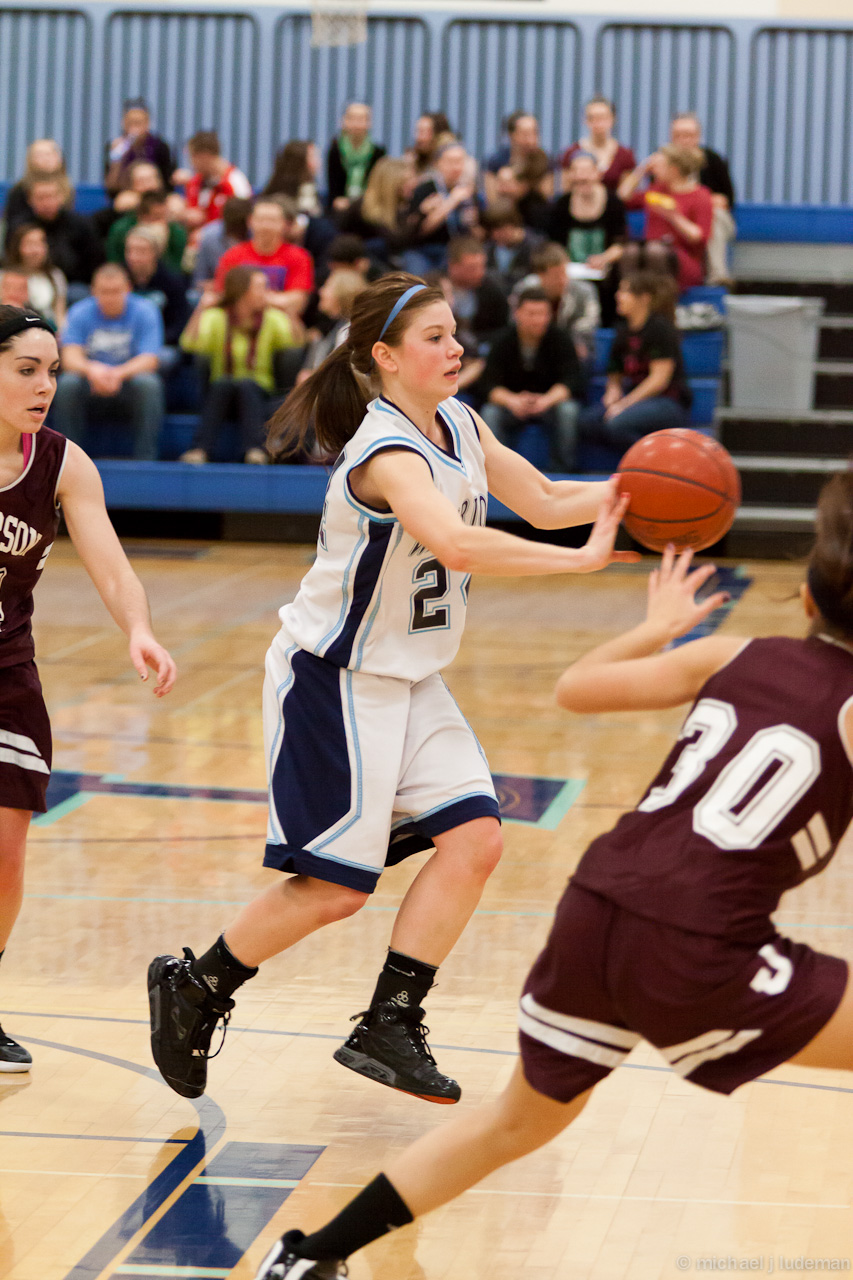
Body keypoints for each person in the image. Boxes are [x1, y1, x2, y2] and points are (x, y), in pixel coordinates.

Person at [253, 495, 853, 1278]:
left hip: (594, 906)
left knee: (517, 1122)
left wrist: (657, 627)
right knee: (519, 1121)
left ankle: (308, 1258)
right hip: (697, 939)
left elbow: (577, 687)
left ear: (805, 600)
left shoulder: (730, 653)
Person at [146, 271, 637, 1109]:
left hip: (410, 679)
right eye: (434, 338)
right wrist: (583, 561)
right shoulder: (385, 453)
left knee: (476, 840)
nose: (455, 348)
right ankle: (197, 985)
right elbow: (457, 544)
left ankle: (389, 1021)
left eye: (455, 333)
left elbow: (548, 497)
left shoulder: (460, 423)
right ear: (386, 357)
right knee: (336, 890)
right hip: (333, 681)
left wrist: (640, 490)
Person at [0, 303, 176, 1070]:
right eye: (26, 370)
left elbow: (110, 564)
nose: (44, 386)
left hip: (7, 671)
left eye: (51, 372)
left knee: (6, 851)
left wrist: (138, 628)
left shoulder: (64, 464)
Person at [178, 266, 302, 464]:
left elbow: (296, 343)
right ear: (242, 290)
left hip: (258, 393)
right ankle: (199, 450)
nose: (267, 293)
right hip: (222, 393)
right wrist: (200, 309)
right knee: (224, 383)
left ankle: (255, 450)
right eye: (260, 287)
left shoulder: (270, 317)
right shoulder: (218, 316)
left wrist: (289, 312)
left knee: (246, 384)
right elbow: (189, 344)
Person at [51, 264, 165, 460]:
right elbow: (69, 357)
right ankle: (69, 460)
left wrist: (116, 373)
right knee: (68, 383)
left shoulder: (146, 310)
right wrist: (92, 370)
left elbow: (150, 359)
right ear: (93, 291)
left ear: (128, 289)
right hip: (90, 383)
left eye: (116, 291)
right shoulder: (79, 311)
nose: (110, 297)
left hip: (127, 383)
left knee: (148, 383)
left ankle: (146, 459)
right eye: (104, 292)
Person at [579, 270, 690, 455]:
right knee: (586, 422)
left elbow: (659, 380)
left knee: (617, 424)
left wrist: (624, 404)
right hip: (636, 400)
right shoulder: (622, 331)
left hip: (667, 402)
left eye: (625, 291)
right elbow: (614, 373)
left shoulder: (659, 328)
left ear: (644, 298)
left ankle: (652, 462)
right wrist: (612, 392)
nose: (618, 296)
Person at [479, 287, 583, 470]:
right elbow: (488, 384)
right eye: (532, 314)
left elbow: (572, 380)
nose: (538, 320)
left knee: (568, 411)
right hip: (512, 404)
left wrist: (546, 400)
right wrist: (512, 400)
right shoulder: (502, 340)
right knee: (490, 413)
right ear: (517, 313)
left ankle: (563, 470)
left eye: (543, 314)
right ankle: (497, 471)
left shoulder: (561, 338)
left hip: (549, 404)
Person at [618, 146, 713, 292]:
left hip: (682, 259)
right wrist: (641, 170)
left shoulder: (700, 195)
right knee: (631, 252)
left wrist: (673, 216)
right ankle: (630, 295)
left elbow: (698, 237)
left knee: (655, 252)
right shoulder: (657, 189)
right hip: (650, 251)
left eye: (658, 166)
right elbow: (623, 195)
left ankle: (659, 298)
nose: (653, 170)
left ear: (673, 170)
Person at [548, 151, 627, 326]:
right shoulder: (561, 205)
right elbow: (554, 245)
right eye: (577, 171)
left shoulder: (613, 202)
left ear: (598, 173)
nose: (582, 177)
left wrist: (603, 258)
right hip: (570, 271)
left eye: (587, 171)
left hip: (605, 271)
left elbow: (621, 245)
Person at [214, 197, 314, 318]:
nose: (266, 226)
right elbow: (222, 296)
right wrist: (275, 300)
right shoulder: (233, 255)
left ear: (284, 224)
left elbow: (298, 302)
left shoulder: (299, 256)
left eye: (272, 220)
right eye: (261, 220)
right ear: (250, 221)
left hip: (282, 322)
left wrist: (249, 299)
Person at [670, 112, 736, 287]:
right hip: (676, 219)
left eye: (688, 135)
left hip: (708, 220)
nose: (684, 140)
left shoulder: (713, 160)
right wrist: (703, 201)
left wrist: (696, 203)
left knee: (715, 215)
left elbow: (726, 200)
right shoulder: (665, 162)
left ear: (698, 136)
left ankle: (717, 276)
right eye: (678, 136)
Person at [439, 236, 508, 392]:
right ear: (452, 266)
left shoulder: (492, 289)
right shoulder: (436, 287)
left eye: (482, 266)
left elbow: (502, 330)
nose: (479, 273)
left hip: (480, 358)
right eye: (472, 268)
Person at [9, 175, 104, 288]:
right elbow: (10, 261)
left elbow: (95, 262)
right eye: (40, 197)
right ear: (30, 200)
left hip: (74, 284)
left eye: (50, 196)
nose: (46, 203)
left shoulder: (81, 224)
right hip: (25, 281)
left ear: (62, 197)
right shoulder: (19, 226)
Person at [403, 143, 480, 276]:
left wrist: (472, 222)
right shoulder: (425, 189)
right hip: (423, 249)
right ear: (438, 163)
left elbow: (478, 232)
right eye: (450, 161)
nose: (456, 167)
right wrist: (452, 201)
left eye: (460, 161)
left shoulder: (469, 192)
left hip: (456, 250)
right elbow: (421, 230)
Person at [513, 243, 600, 360]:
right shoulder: (524, 291)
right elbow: (516, 323)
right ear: (540, 275)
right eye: (556, 276)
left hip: (572, 348)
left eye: (564, 273)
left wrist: (567, 344)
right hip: (533, 348)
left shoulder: (584, 291)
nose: (562, 280)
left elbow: (588, 326)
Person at [123, 227, 191, 347]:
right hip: (122, 342)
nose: (133, 257)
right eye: (129, 251)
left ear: (155, 253)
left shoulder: (172, 282)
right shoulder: (118, 278)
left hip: (162, 343)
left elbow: (179, 324)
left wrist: (151, 342)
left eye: (141, 251)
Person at [297, 269, 367, 381]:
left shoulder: (349, 332)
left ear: (343, 292)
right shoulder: (330, 328)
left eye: (327, 286)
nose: (321, 291)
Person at [560, 96, 636, 192]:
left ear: (613, 119)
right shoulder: (571, 152)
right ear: (585, 120)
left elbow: (625, 196)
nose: (597, 123)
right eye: (592, 118)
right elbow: (566, 191)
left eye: (602, 117)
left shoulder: (625, 155)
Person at [182, 131, 253, 233]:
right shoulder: (195, 182)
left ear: (204, 156)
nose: (190, 163)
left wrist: (207, 233)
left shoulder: (235, 182)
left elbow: (242, 222)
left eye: (192, 157)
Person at [107, 189, 189, 276]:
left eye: (165, 216)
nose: (162, 222)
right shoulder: (121, 230)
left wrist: (162, 246)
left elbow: (176, 269)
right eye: (157, 216)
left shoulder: (176, 232)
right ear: (142, 216)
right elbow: (113, 264)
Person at [104, 98, 174, 195]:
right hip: (126, 195)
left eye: (139, 123)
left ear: (147, 123)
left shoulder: (160, 147)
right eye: (130, 123)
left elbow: (168, 183)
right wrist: (116, 159)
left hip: (154, 196)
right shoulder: (115, 147)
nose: (134, 127)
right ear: (123, 123)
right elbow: (110, 188)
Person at [326, 103, 387, 215]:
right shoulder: (335, 150)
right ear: (344, 121)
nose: (356, 124)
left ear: (369, 123)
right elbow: (333, 190)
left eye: (361, 119)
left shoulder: (378, 152)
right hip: (340, 209)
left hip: (369, 208)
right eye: (352, 118)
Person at [3, 224, 67, 328]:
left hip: (47, 326)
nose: (35, 250)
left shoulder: (55, 275)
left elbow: (60, 313)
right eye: (29, 244)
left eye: (40, 244)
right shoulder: (5, 275)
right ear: (18, 246)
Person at [483, 113, 552, 205]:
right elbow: (492, 201)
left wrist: (522, 189)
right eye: (525, 134)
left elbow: (546, 196)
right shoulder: (496, 160)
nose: (531, 140)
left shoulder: (544, 159)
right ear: (511, 135)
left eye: (535, 133)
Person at [3, 141, 72, 229]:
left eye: (49, 154)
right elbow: (13, 223)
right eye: (39, 155)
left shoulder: (67, 186)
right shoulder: (20, 189)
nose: (45, 159)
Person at [480, 202, 545, 295]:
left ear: (513, 223)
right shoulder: (489, 247)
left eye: (500, 229)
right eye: (492, 231)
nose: (495, 235)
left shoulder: (537, 247)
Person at [192, 196, 252, 289]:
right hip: (216, 289)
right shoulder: (209, 236)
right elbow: (199, 280)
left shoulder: (255, 236)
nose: (236, 229)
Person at [263, 141, 323, 218]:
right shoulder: (279, 199)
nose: (318, 162)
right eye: (313, 156)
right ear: (299, 161)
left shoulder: (310, 189)